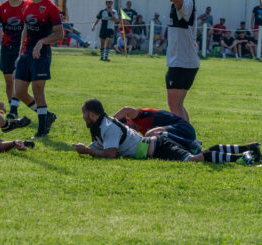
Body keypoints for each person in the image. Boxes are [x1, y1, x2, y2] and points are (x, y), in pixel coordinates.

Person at [74, 99, 261, 165]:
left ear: (91, 114)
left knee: (193, 159)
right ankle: (247, 149)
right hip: (157, 144)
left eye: (83, 115)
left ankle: (241, 157)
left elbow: (110, 154)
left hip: (160, 145)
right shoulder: (103, 125)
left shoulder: (108, 127)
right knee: (195, 154)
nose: (83, 118)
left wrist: (88, 150)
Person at [13, 0, 63, 138]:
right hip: (26, 53)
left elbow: (60, 34)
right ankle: (47, 116)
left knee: (38, 90)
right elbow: (25, 30)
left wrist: (42, 41)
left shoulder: (50, 7)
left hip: (42, 53)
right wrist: (19, 54)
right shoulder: (27, 4)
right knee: (20, 92)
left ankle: (42, 131)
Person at [0, 0, 26, 120]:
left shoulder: (26, 6)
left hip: (22, 48)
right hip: (7, 48)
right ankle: (12, 107)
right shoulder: (2, 8)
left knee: (16, 76)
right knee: (9, 81)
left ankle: (13, 109)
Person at [113, 106, 201, 153]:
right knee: (155, 141)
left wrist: (109, 122)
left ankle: (192, 144)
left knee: (151, 134)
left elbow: (126, 109)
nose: (128, 132)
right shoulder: (141, 132)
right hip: (183, 135)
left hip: (184, 128)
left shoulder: (138, 116)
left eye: (126, 128)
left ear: (127, 122)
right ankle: (189, 147)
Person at [166, 0, 199, 123]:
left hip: (182, 61)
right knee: (177, 104)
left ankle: (184, 139)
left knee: (174, 105)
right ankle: (189, 138)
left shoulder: (187, 3)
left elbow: (178, 2)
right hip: (183, 61)